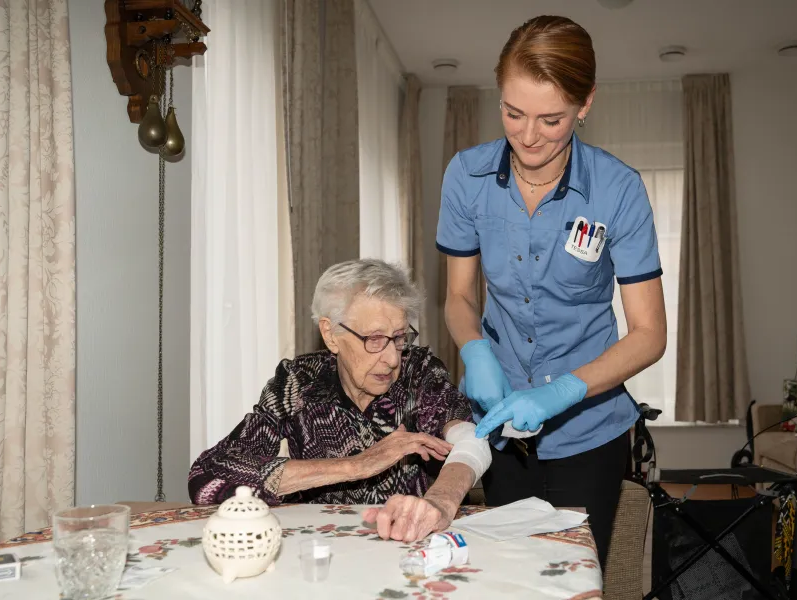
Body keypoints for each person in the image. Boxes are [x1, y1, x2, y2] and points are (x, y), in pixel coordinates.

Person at [436, 15, 667, 566]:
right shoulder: (466, 177)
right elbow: (459, 297)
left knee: (572, 578)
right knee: (506, 576)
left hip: (590, 431)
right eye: (513, 113)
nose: (528, 135)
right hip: (498, 428)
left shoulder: (618, 190)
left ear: (585, 104)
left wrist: (564, 391)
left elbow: (650, 334)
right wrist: (475, 350)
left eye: (551, 119)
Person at [189, 259, 492, 543]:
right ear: (330, 334)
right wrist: (357, 465)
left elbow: (472, 439)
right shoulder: (299, 382)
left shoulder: (419, 372)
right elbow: (208, 476)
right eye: (374, 339)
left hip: (410, 544)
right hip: (322, 547)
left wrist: (439, 502)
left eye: (399, 338)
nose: (391, 359)